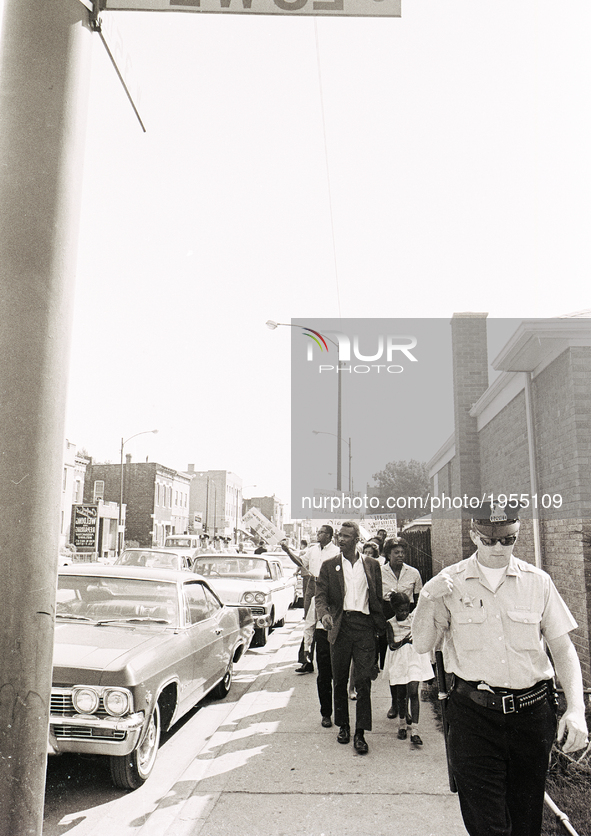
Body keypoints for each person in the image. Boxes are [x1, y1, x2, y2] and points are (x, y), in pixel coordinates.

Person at [412, 502, 589, 836]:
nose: (497, 548)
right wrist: (426, 598)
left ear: (517, 534)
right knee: (487, 826)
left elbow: (563, 649)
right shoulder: (448, 583)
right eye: (488, 539)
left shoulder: (538, 582)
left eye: (507, 540)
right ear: (473, 536)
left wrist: (576, 709)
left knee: (525, 822)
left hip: (532, 717)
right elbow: (422, 643)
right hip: (474, 718)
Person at [315, 520, 386, 755]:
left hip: (364, 626)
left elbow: (377, 596)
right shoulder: (329, 566)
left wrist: (380, 626)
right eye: (340, 536)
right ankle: (343, 726)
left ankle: (360, 733)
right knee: (340, 679)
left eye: (346, 536)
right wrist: (324, 615)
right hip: (341, 626)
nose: (341, 539)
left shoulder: (372, 565)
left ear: (357, 540)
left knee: (363, 681)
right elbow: (321, 596)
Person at [281, 525, 339, 674]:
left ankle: (330, 658)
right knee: (309, 622)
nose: (318, 534)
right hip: (312, 584)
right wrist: (288, 551)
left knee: (324, 623)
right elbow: (301, 563)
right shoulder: (312, 550)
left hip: (328, 587)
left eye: (321, 532)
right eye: (318, 532)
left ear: (329, 535)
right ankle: (306, 659)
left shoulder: (336, 552)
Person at [384, 591, 433, 745]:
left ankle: (416, 732)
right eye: (401, 610)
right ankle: (402, 725)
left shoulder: (414, 619)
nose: (404, 613)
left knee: (413, 692)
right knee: (401, 695)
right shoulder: (390, 623)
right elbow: (391, 645)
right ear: (394, 609)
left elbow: (422, 632)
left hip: (414, 658)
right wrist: (404, 642)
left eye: (406, 610)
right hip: (398, 659)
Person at [381, 538, 423, 612]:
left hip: (407, 613)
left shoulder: (413, 573)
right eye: (396, 552)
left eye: (403, 552)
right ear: (389, 555)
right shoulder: (380, 572)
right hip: (387, 612)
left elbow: (418, 598)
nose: (400, 555)